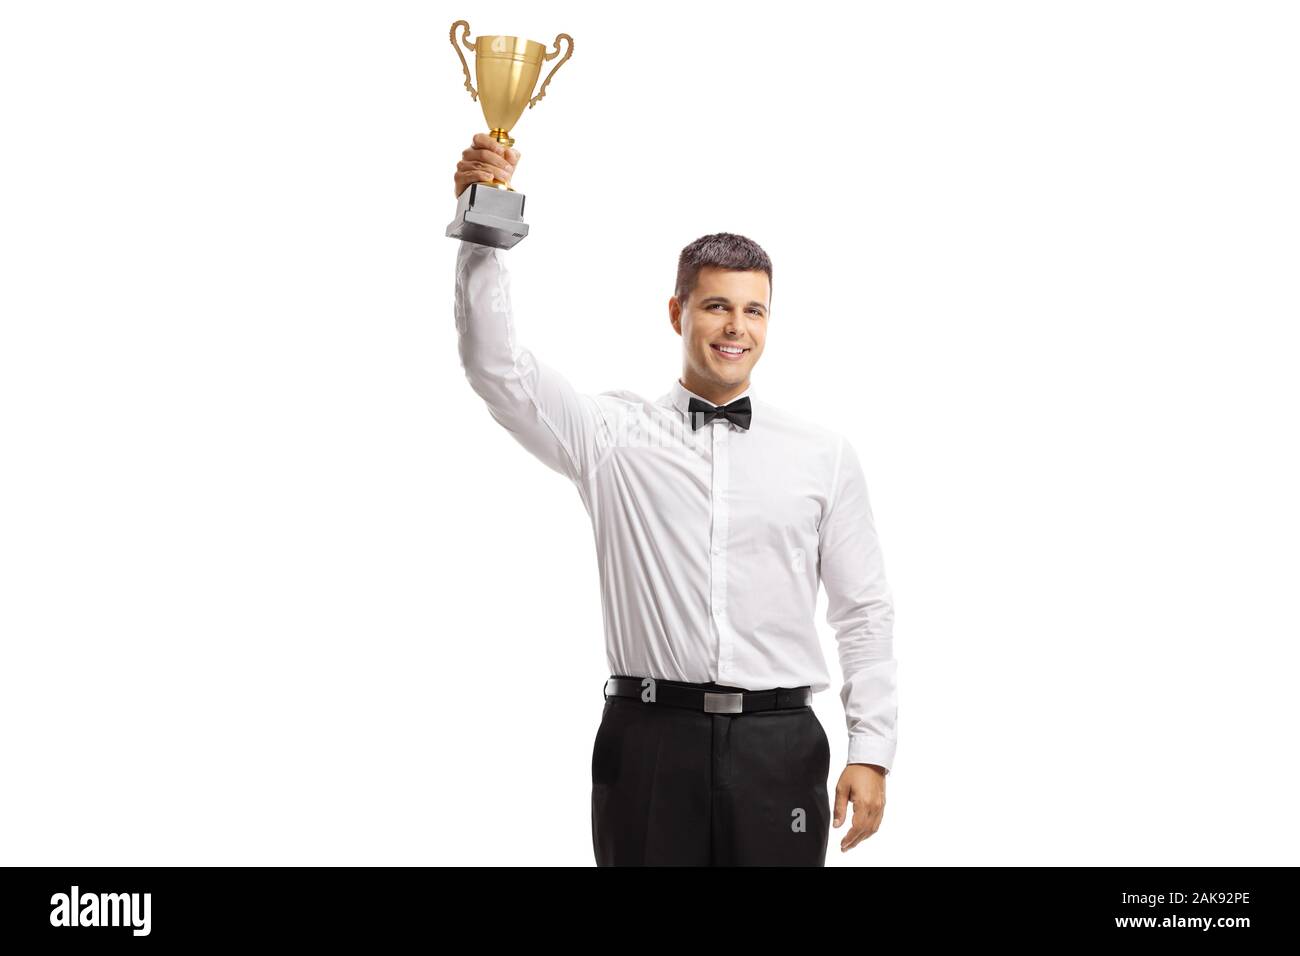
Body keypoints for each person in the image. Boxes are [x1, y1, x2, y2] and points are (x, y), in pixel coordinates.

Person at [452, 133, 897, 866]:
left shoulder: (824, 455)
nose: (736, 328)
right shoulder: (611, 436)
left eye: (754, 311)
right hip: (649, 744)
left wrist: (872, 748)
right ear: (676, 311)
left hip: (780, 747)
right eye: (717, 306)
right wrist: (484, 221)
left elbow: (864, 609)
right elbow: (495, 367)